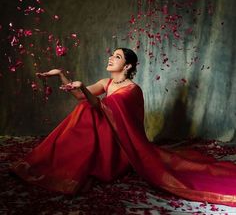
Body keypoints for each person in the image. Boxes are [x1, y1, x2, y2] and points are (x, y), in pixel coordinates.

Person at [11, 48, 236, 206]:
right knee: (85, 109)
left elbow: (101, 106)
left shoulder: (132, 90)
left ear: (127, 65)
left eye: (117, 57)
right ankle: (64, 161)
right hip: (101, 133)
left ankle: (79, 166)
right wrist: (61, 75)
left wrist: (85, 92)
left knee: (88, 110)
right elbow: (80, 94)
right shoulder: (105, 82)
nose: (110, 58)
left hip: (121, 144)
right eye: (111, 54)